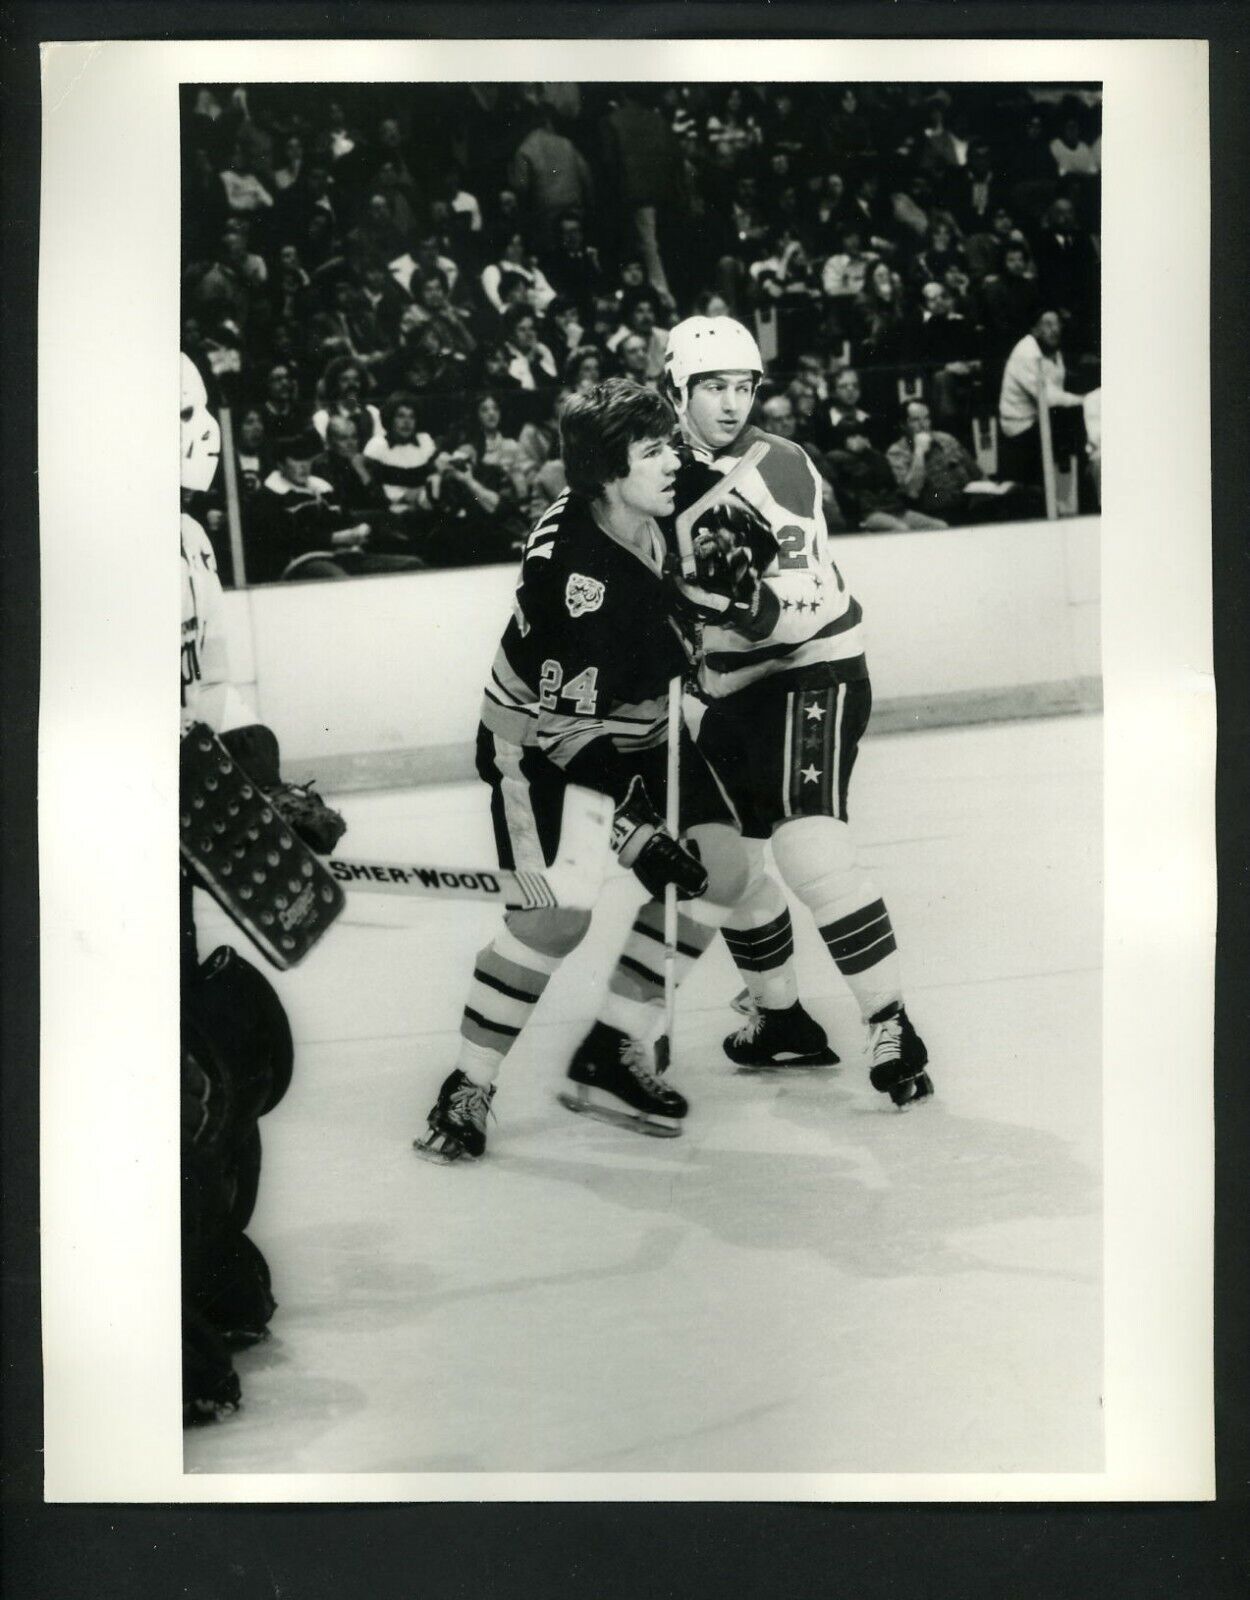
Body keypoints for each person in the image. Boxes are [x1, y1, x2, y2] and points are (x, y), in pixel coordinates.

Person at [588, 317, 934, 1103]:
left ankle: (892, 1022)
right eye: (713, 387)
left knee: (812, 846)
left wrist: (746, 599)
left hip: (815, 668)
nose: (732, 403)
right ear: (677, 391)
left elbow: (805, 609)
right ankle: (780, 1020)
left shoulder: (779, 465)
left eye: (744, 386)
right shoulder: (651, 474)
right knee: (726, 865)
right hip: (728, 688)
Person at [415, 379, 755, 1160]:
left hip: (641, 724)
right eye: (653, 451)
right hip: (539, 742)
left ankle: (611, 1050)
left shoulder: (663, 490)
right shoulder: (580, 583)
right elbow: (565, 733)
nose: (675, 460)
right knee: (556, 916)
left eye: (671, 443)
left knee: (723, 871)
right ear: (606, 473)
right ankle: (467, 1083)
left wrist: (742, 582)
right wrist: (635, 836)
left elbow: (732, 542)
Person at [997, 309, 1086, 488]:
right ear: (1035, 329)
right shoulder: (1026, 352)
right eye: (1047, 324)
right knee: (1073, 417)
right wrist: (1086, 400)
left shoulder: (1054, 351)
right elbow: (1049, 398)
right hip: (1020, 427)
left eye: (1057, 324)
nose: (1055, 329)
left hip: (1042, 420)